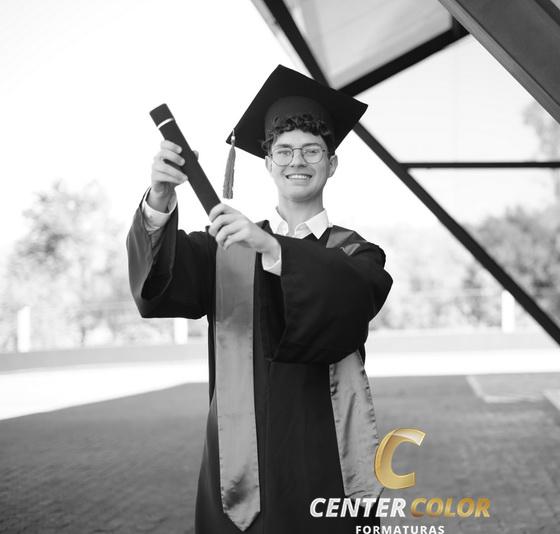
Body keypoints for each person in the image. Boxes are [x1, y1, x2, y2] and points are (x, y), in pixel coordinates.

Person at [126, 65, 393, 533]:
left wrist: (273, 248)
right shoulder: (226, 248)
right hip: (238, 463)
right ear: (268, 163)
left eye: (312, 150)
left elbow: (351, 299)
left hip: (324, 457)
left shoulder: (356, 253)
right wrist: (161, 197)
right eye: (284, 150)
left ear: (332, 164)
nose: (297, 161)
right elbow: (157, 292)